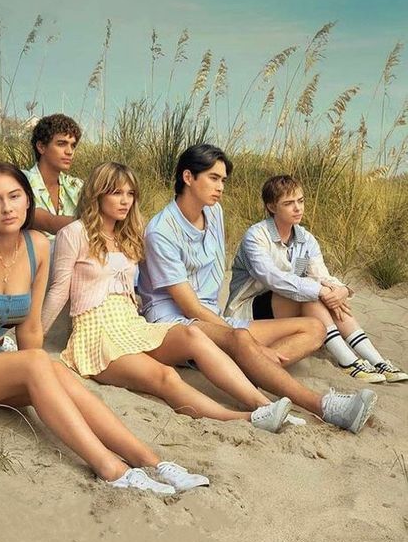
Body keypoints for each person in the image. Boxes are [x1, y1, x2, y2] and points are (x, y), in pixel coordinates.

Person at [0, 162, 210, 494]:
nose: (7, 208)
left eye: (14, 196)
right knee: (38, 363)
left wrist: (41, 377)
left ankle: (153, 462)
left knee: (55, 372)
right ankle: (112, 469)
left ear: (27, 200)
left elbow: (31, 328)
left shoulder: (37, 246)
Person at [138, 144, 378, 434]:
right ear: (188, 177)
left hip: (212, 317)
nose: (220, 187)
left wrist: (248, 346)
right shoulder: (161, 230)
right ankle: (323, 406)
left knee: (314, 328)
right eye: (213, 178)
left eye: (223, 180)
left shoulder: (214, 214)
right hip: (173, 324)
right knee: (240, 339)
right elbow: (189, 308)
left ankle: (251, 365)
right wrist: (242, 340)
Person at [42, 163, 295, 432]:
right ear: (97, 194)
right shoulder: (74, 233)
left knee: (193, 335)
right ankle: (245, 420)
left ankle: (262, 404)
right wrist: (34, 343)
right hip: (96, 335)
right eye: (116, 193)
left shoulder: (128, 235)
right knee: (165, 376)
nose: (125, 201)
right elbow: (59, 291)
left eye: (130, 194)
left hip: (132, 325)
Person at [227, 174, 407, 384]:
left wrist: (342, 290)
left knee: (323, 294)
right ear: (272, 207)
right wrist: (319, 290)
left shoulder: (305, 239)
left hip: (287, 305)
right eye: (289, 203)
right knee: (311, 295)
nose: (298, 208)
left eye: (300, 201)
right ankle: (347, 361)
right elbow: (273, 279)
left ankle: (376, 360)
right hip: (248, 310)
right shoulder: (256, 236)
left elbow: (321, 275)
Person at [23, 114, 83, 239]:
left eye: (73, 145)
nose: (69, 151)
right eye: (61, 144)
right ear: (41, 147)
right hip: (33, 256)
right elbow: (49, 222)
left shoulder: (76, 186)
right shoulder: (21, 182)